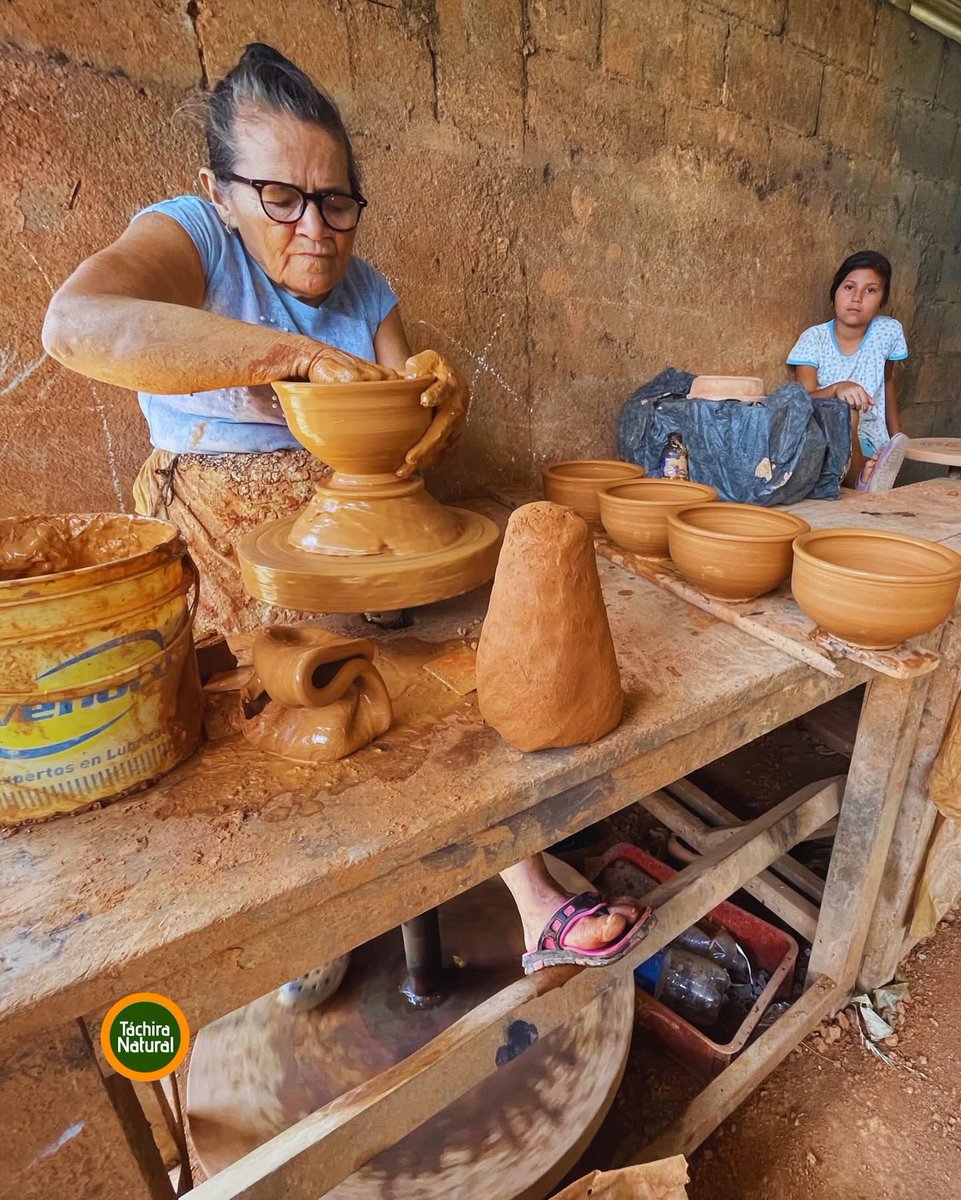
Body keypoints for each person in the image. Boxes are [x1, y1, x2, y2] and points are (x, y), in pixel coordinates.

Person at [42, 44, 649, 1006]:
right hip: (218, 514)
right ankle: (297, 924)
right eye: (280, 198)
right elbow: (75, 324)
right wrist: (292, 357)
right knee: (281, 720)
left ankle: (527, 894)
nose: (314, 227)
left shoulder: (367, 289)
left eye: (337, 201)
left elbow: (401, 437)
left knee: (445, 691)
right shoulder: (188, 236)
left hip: (358, 520)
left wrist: (431, 406)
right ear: (221, 190)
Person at [787, 250, 910, 492]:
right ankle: (861, 480)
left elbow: (887, 381)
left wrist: (898, 439)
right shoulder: (814, 338)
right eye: (849, 287)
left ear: (883, 300)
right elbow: (802, 398)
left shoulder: (888, 332)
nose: (857, 298)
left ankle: (871, 470)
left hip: (872, 434)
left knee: (868, 439)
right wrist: (835, 389)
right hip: (824, 433)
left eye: (871, 290)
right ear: (833, 295)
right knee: (846, 413)